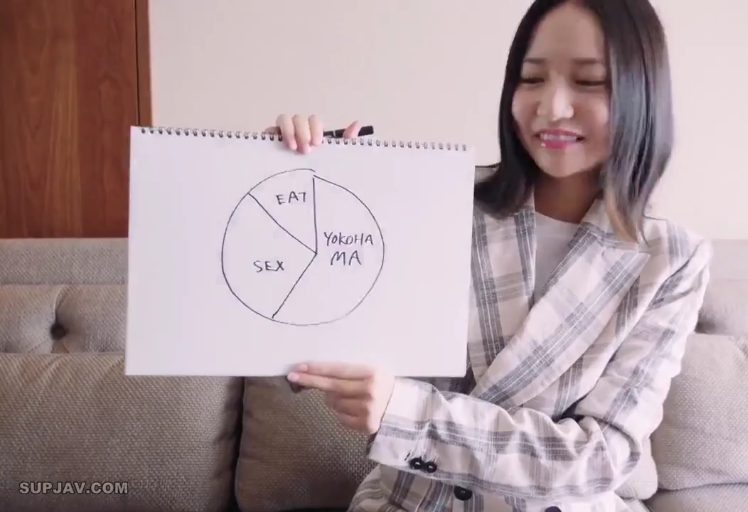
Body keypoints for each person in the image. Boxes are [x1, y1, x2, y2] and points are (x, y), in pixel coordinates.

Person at [270, 0, 712, 510]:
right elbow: (310, 329)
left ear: (642, 92)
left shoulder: (671, 259)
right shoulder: (436, 198)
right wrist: (286, 186)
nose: (552, 107)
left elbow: (600, 458)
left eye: (589, 81)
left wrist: (404, 414)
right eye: (532, 78)